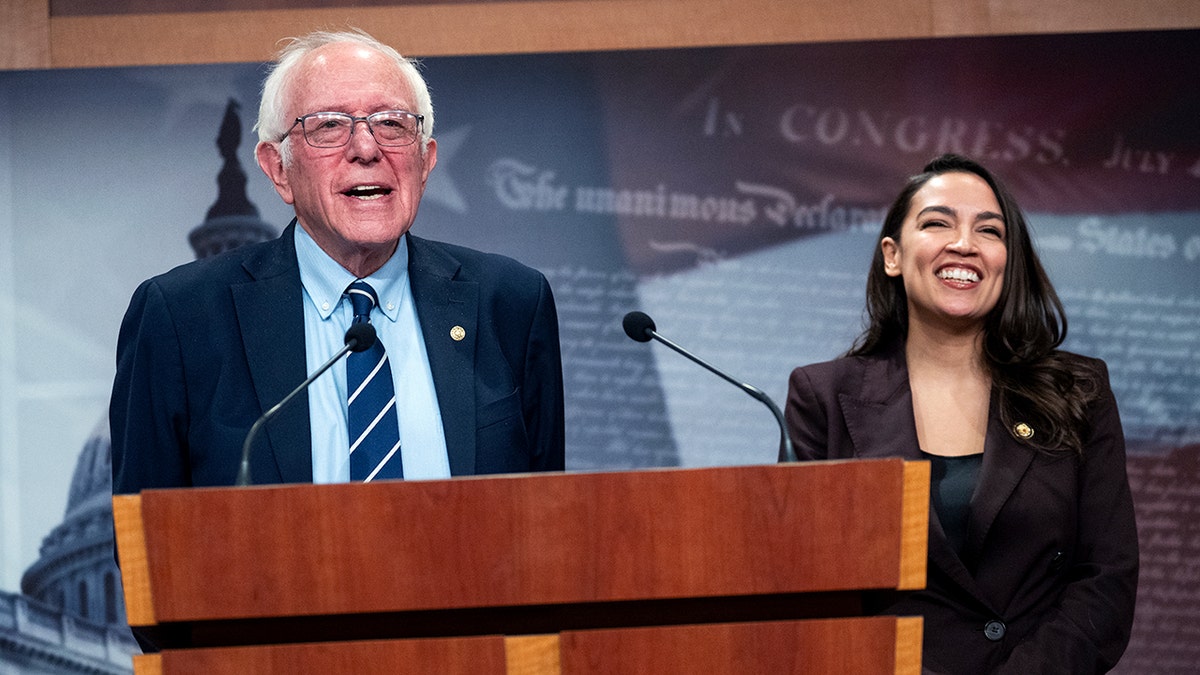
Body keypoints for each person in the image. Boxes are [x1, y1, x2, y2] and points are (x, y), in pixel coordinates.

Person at [111, 29, 565, 492]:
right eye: (329, 125)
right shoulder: (181, 318)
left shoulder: (510, 304)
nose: (367, 149)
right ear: (277, 169)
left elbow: (546, 520)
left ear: (426, 161)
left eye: (391, 123)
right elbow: (146, 546)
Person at [785, 154, 1137, 673]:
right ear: (893, 255)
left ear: (1006, 260)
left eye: (989, 231)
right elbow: (808, 589)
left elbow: (1106, 579)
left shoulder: (1079, 391)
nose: (964, 243)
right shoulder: (822, 396)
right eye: (937, 223)